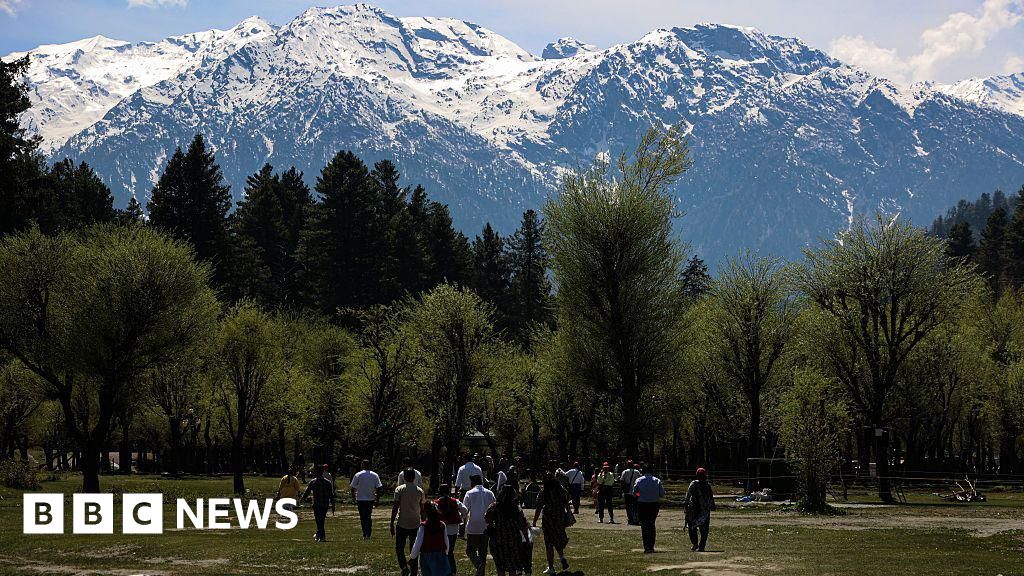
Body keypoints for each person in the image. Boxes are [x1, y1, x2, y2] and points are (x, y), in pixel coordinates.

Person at [486, 486, 530, 576]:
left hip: (498, 538)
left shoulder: (494, 506)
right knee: (512, 566)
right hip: (513, 539)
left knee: (500, 566)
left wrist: (492, 525)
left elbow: (487, 518)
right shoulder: (516, 508)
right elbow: (523, 525)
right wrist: (526, 539)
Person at [532, 473, 571, 575]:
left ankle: (551, 567)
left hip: (548, 520)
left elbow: (538, 508)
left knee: (549, 543)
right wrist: (568, 513)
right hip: (560, 518)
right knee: (557, 539)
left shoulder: (544, 492)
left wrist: (535, 521)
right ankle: (561, 557)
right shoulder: (561, 490)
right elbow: (567, 502)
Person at [392, 469, 427, 575]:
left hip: (402, 522)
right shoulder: (420, 491)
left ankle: (404, 566)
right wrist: (424, 522)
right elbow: (422, 509)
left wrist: (391, 522)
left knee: (399, 548)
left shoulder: (399, 489)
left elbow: (395, 507)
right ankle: (414, 571)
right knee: (414, 549)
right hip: (415, 523)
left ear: (405, 477)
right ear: (414, 477)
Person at [463, 475, 495, 576]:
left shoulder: (469, 493)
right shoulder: (490, 493)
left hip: (473, 526)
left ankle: (478, 565)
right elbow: (494, 508)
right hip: (486, 525)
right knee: (483, 552)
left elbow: (465, 510)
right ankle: (481, 571)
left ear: (473, 482)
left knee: (470, 550)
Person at [410, 502, 452, 576]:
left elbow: (418, 543)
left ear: (426, 513)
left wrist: (412, 556)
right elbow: (446, 541)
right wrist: (446, 553)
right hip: (441, 555)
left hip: (427, 557)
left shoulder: (423, 526)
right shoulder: (442, 525)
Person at [435, 484, 468, 574]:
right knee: (450, 551)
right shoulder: (455, 501)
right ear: (449, 491)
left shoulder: (436, 502)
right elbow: (465, 510)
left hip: (441, 530)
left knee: (442, 551)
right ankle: (452, 571)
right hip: (453, 529)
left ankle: (444, 569)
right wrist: (460, 517)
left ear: (439, 492)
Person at [632, 464, 665, 553]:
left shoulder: (639, 480)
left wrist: (640, 494)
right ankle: (651, 546)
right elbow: (662, 494)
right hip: (654, 504)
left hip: (642, 504)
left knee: (644, 525)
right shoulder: (657, 480)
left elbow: (634, 494)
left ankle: (646, 546)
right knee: (651, 524)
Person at [301, 466, 336, 542]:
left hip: (317, 504)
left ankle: (322, 535)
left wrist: (303, 498)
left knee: (319, 520)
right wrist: (333, 505)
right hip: (325, 504)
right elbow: (331, 495)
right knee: (321, 519)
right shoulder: (327, 482)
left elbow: (307, 491)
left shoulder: (313, 482)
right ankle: (319, 534)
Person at [684, 467, 716, 552]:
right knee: (704, 529)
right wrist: (712, 506)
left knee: (692, 527)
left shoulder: (694, 484)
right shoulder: (707, 485)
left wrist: (686, 506)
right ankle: (701, 546)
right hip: (704, 509)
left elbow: (688, 495)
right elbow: (711, 497)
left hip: (694, 508)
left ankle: (695, 544)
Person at [351, 459, 383, 539]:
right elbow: (378, 488)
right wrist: (377, 499)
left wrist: (353, 498)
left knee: (362, 517)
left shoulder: (358, 475)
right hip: (370, 499)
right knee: (368, 516)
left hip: (360, 499)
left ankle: (365, 533)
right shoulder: (375, 475)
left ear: (362, 465)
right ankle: (368, 533)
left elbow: (352, 487)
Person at [619, 460, 642, 525]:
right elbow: (640, 481)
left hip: (627, 492)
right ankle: (636, 519)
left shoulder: (624, 472)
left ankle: (630, 520)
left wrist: (620, 492)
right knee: (636, 506)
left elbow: (622, 482)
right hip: (636, 492)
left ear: (627, 465)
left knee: (628, 507)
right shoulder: (637, 472)